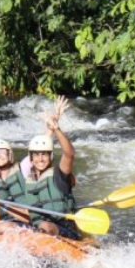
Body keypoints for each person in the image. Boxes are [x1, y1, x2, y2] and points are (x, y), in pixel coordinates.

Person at [18, 96, 79, 237]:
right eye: (37, 155)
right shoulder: (29, 177)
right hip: (40, 230)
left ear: (50, 156)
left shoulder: (59, 174)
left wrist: (56, 128)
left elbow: (69, 153)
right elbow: (41, 142)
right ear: (31, 158)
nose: (40, 159)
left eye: (44, 155)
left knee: (45, 226)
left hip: (64, 229)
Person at [0, 138, 30, 229]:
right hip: (6, 222)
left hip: (28, 219)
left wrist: (50, 130)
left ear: (9, 154)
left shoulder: (22, 168)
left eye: (2, 152)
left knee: (5, 226)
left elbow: (37, 149)